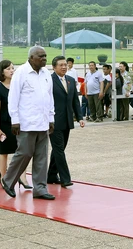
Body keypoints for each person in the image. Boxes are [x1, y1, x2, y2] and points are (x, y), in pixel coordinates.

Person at [1, 46, 56, 200]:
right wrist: (15, 120)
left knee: (41, 157)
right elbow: (13, 98)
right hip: (26, 123)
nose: (44, 59)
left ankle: (40, 189)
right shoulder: (21, 73)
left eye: (45, 56)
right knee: (24, 153)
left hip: (43, 122)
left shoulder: (46, 74)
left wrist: (51, 118)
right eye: (41, 56)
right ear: (32, 58)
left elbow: (49, 97)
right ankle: (8, 180)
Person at [0, 60, 31, 189]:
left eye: (13, 68)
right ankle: (4, 177)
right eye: (8, 68)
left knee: (22, 151)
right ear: (2, 71)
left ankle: (22, 177)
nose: (12, 71)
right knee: (3, 152)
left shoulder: (17, 86)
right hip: (4, 124)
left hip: (19, 123)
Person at [47, 56, 85, 187]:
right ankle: (65, 178)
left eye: (65, 65)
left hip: (67, 121)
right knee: (59, 150)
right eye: (61, 65)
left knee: (59, 148)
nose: (64, 67)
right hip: (53, 122)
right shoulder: (49, 81)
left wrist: (80, 117)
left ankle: (51, 175)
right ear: (54, 67)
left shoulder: (70, 80)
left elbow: (75, 101)